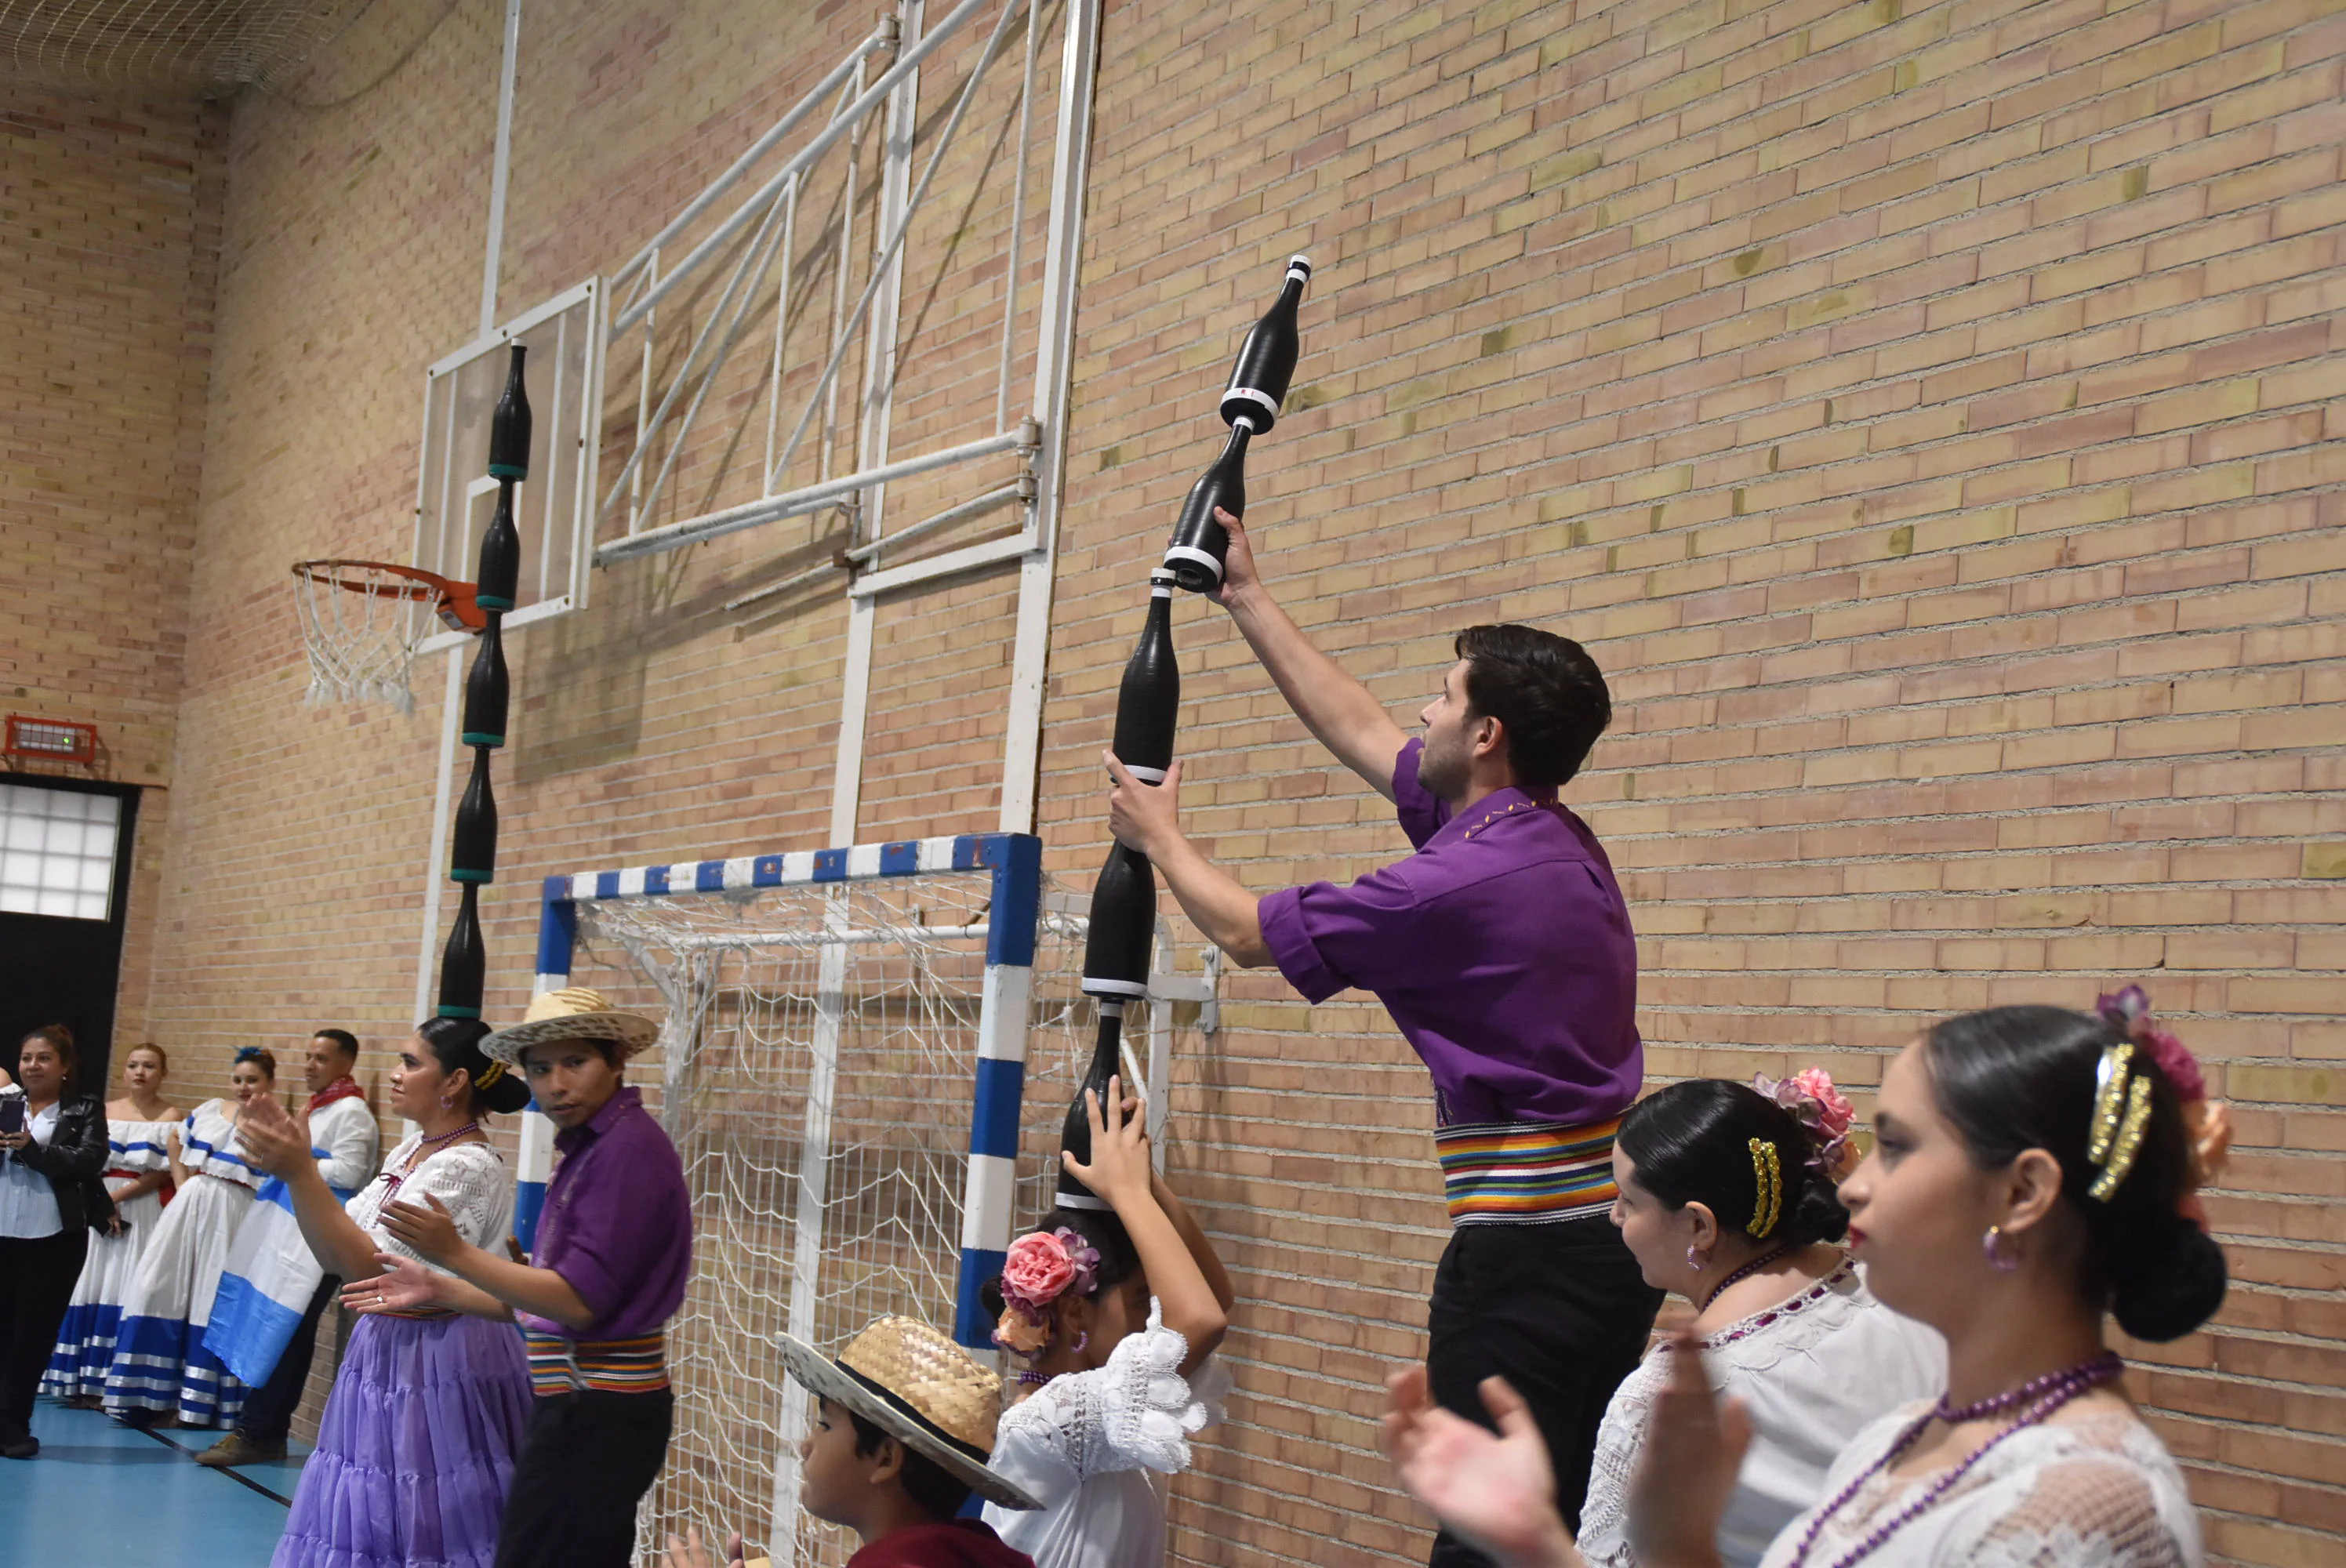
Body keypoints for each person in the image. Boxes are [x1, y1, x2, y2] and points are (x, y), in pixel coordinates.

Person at [1101, 504, 1658, 1558]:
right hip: (1590, 1248)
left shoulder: (1461, 882)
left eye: (1444, 699)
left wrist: (1160, 834)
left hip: (1532, 1261)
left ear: (1486, 734)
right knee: (1538, 1518)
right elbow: (1361, 729)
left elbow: (1242, 932)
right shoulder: (1540, 832)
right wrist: (1247, 596)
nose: (1423, 711)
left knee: (1487, 1534)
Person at [1383, 996, 2230, 1568]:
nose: (1854, 1182)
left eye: (1896, 1146)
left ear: (2022, 1192)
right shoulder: (1901, 1433)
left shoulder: (2089, 1507)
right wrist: (1540, 1538)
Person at [358, 988, 692, 1568]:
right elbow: (545, 1301)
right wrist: (444, 1286)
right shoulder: (593, 1145)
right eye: (539, 1069)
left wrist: (455, 1253)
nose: (556, 1084)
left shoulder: (625, 1152)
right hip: (582, 1403)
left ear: (616, 1061)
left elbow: (577, 1304)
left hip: (600, 1410)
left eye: (575, 1062)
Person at [1574, 1074, 1942, 1568]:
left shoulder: (1666, 1398)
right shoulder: (1901, 1289)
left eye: (1629, 1201)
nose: (1615, 1216)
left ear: (1698, 1226)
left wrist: (1521, 1532)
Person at [242, 1017, 536, 1568]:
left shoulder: (465, 1167)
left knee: (428, 1512)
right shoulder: (413, 1152)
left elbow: (366, 1269)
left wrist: (301, 1173)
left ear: (454, 1083)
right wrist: (297, 1172)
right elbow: (340, 1250)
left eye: (411, 1062)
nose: (395, 1075)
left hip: (440, 1354)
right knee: (376, 1502)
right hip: (389, 1347)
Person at [981, 1078, 1234, 1568]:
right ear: (1076, 1312)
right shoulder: (1048, 1423)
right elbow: (1202, 1320)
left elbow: (1212, 1298)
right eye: (1143, 1301)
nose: (1155, 1319)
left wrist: (1144, 1180)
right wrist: (1128, 1193)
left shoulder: (1093, 1412)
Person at [198, 1027, 381, 1467]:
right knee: (274, 1332)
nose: (310, 1065)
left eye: (321, 1058)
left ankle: (260, 1431)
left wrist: (297, 1162)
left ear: (347, 1064)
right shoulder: (317, 1109)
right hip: (289, 1235)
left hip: (316, 1246)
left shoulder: (353, 1112)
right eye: (308, 1056)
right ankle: (258, 1426)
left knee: (290, 1337)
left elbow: (352, 1172)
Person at [104, 1046, 276, 1427]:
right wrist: (184, 1187)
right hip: (192, 1203)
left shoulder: (277, 1126)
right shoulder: (212, 1109)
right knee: (156, 1287)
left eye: (253, 1080)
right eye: (238, 1079)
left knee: (208, 1299)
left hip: (236, 1213)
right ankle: (146, 1393)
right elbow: (175, 1142)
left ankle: (196, 1403)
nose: (244, 1087)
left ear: (269, 1083)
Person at [42, 1040, 182, 1406]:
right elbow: (85, 1162)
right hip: (95, 1203)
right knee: (89, 1283)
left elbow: (160, 1173)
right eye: (134, 1064)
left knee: (126, 1284)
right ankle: (76, 1377)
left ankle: (112, 1380)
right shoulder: (103, 1110)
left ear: (163, 1074)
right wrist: (100, 1203)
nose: (140, 1072)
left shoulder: (171, 1116)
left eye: (150, 1066)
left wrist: (114, 1201)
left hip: (141, 1207)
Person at [0, 1025, 114, 1458]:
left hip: (53, 1238)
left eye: (44, 1057)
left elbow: (87, 1161)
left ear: (65, 1067)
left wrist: (31, 1149)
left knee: (32, 1335)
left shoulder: (84, 1109)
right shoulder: (6, 1104)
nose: (33, 1065)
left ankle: (13, 1425)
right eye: (27, 1057)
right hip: (1, 1233)